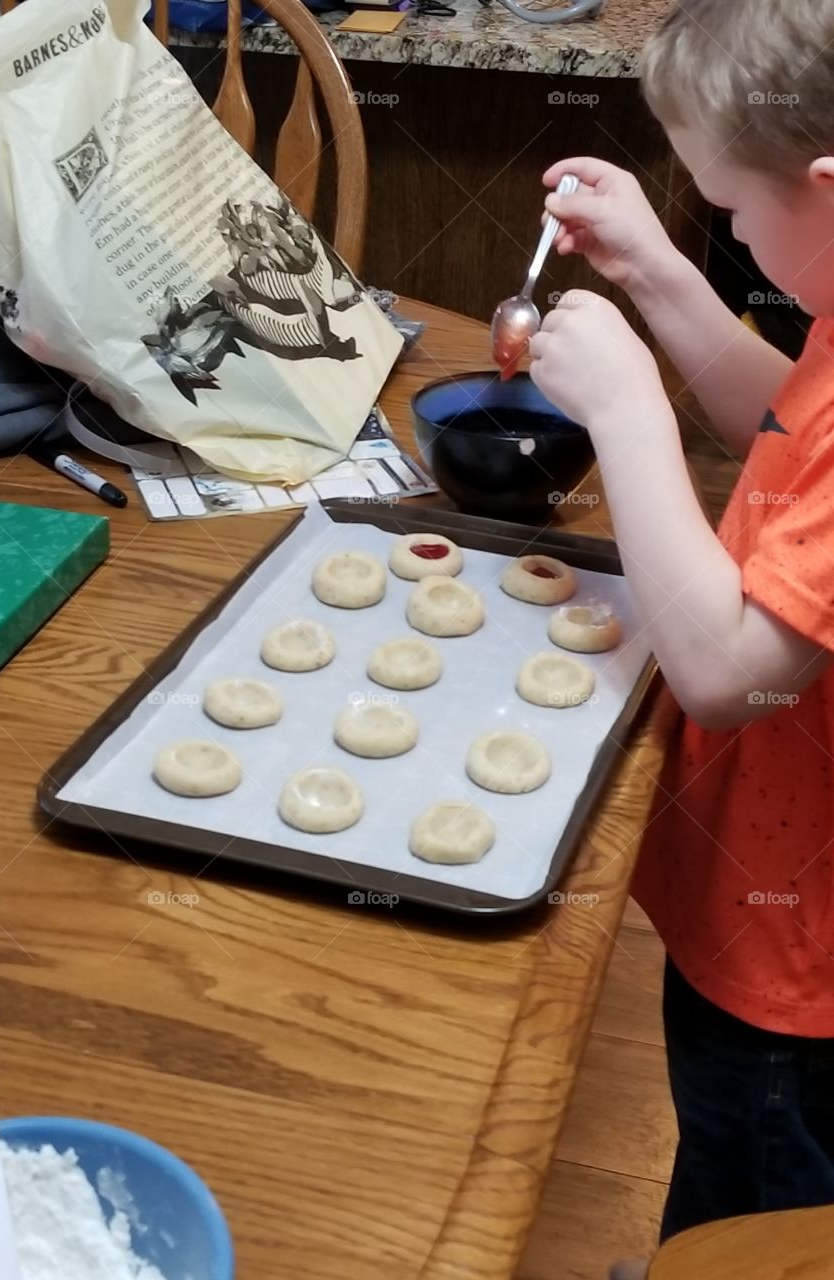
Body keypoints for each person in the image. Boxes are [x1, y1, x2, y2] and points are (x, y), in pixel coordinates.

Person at [527, 2, 834, 1277]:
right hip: (774, 908)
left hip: (801, 970)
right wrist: (658, 272)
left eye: (736, 213)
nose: (734, 235)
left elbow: (727, 675)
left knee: (755, 1193)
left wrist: (627, 414)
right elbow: (785, 423)